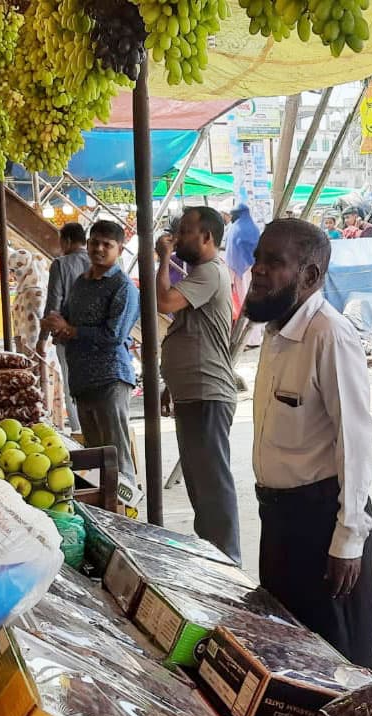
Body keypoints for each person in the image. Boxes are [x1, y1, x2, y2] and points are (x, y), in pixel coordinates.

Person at [245, 219, 372, 668]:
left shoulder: (329, 334)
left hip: (321, 523)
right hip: (278, 518)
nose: (257, 270)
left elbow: (356, 443)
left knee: (333, 664)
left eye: (274, 262)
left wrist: (348, 540)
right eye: (258, 258)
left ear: (310, 276)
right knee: (285, 655)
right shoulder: (274, 330)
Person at [156, 206, 241, 563]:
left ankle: (227, 560)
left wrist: (161, 259)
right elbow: (189, 330)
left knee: (211, 483)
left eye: (186, 230)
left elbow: (164, 301)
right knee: (199, 481)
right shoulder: (202, 274)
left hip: (207, 391)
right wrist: (171, 385)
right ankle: (213, 554)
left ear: (207, 237)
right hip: (193, 391)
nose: (178, 236)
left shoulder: (209, 272)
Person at [43, 221, 140, 479]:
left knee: (115, 455)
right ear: (87, 245)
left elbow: (114, 335)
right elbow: (67, 316)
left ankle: (126, 510)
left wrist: (70, 329)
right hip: (82, 380)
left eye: (107, 245)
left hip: (110, 378)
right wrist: (57, 324)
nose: (99, 249)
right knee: (96, 456)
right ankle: (107, 510)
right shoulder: (80, 282)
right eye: (94, 243)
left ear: (119, 249)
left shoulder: (123, 286)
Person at [45, 223, 91, 432]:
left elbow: (53, 303)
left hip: (68, 335)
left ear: (67, 241)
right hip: (94, 335)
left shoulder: (60, 264)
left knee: (72, 385)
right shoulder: (100, 262)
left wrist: (41, 336)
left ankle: (80, 432)